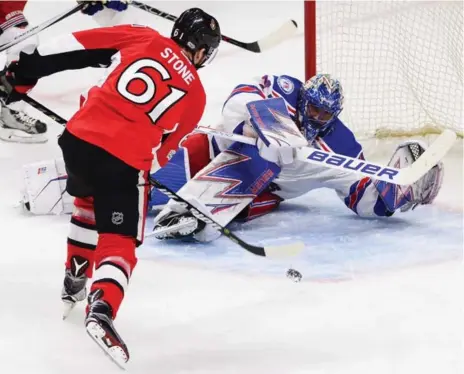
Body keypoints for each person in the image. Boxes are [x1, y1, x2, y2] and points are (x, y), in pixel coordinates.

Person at [0, 7, 221, 366]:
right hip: (122, 160)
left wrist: (19, 76)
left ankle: (75, 276)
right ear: (201, 51)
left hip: (77, 140)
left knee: (88, 198)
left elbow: (70, 48)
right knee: (121, 239)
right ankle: (102, 307)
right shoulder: (196, 97)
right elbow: (163, 154)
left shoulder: (143, 36)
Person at [149, 73, 444, 242]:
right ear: (304, 100)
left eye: (325, 113)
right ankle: (187, 207)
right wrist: (272, 128)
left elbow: (361, 197)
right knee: (138, 198)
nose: (317, 117)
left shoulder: (342, 146)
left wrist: (397, 192)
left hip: (256, 197)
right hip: (211, 150)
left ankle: (200, 212)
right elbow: (237, 100)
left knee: (262, 170)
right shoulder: (283, 89)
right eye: (313, 108)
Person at [0, 0, 129, 143]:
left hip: (8, 10)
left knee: (28, 61)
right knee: (27, 58)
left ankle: (10, 110)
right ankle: (10, 107)